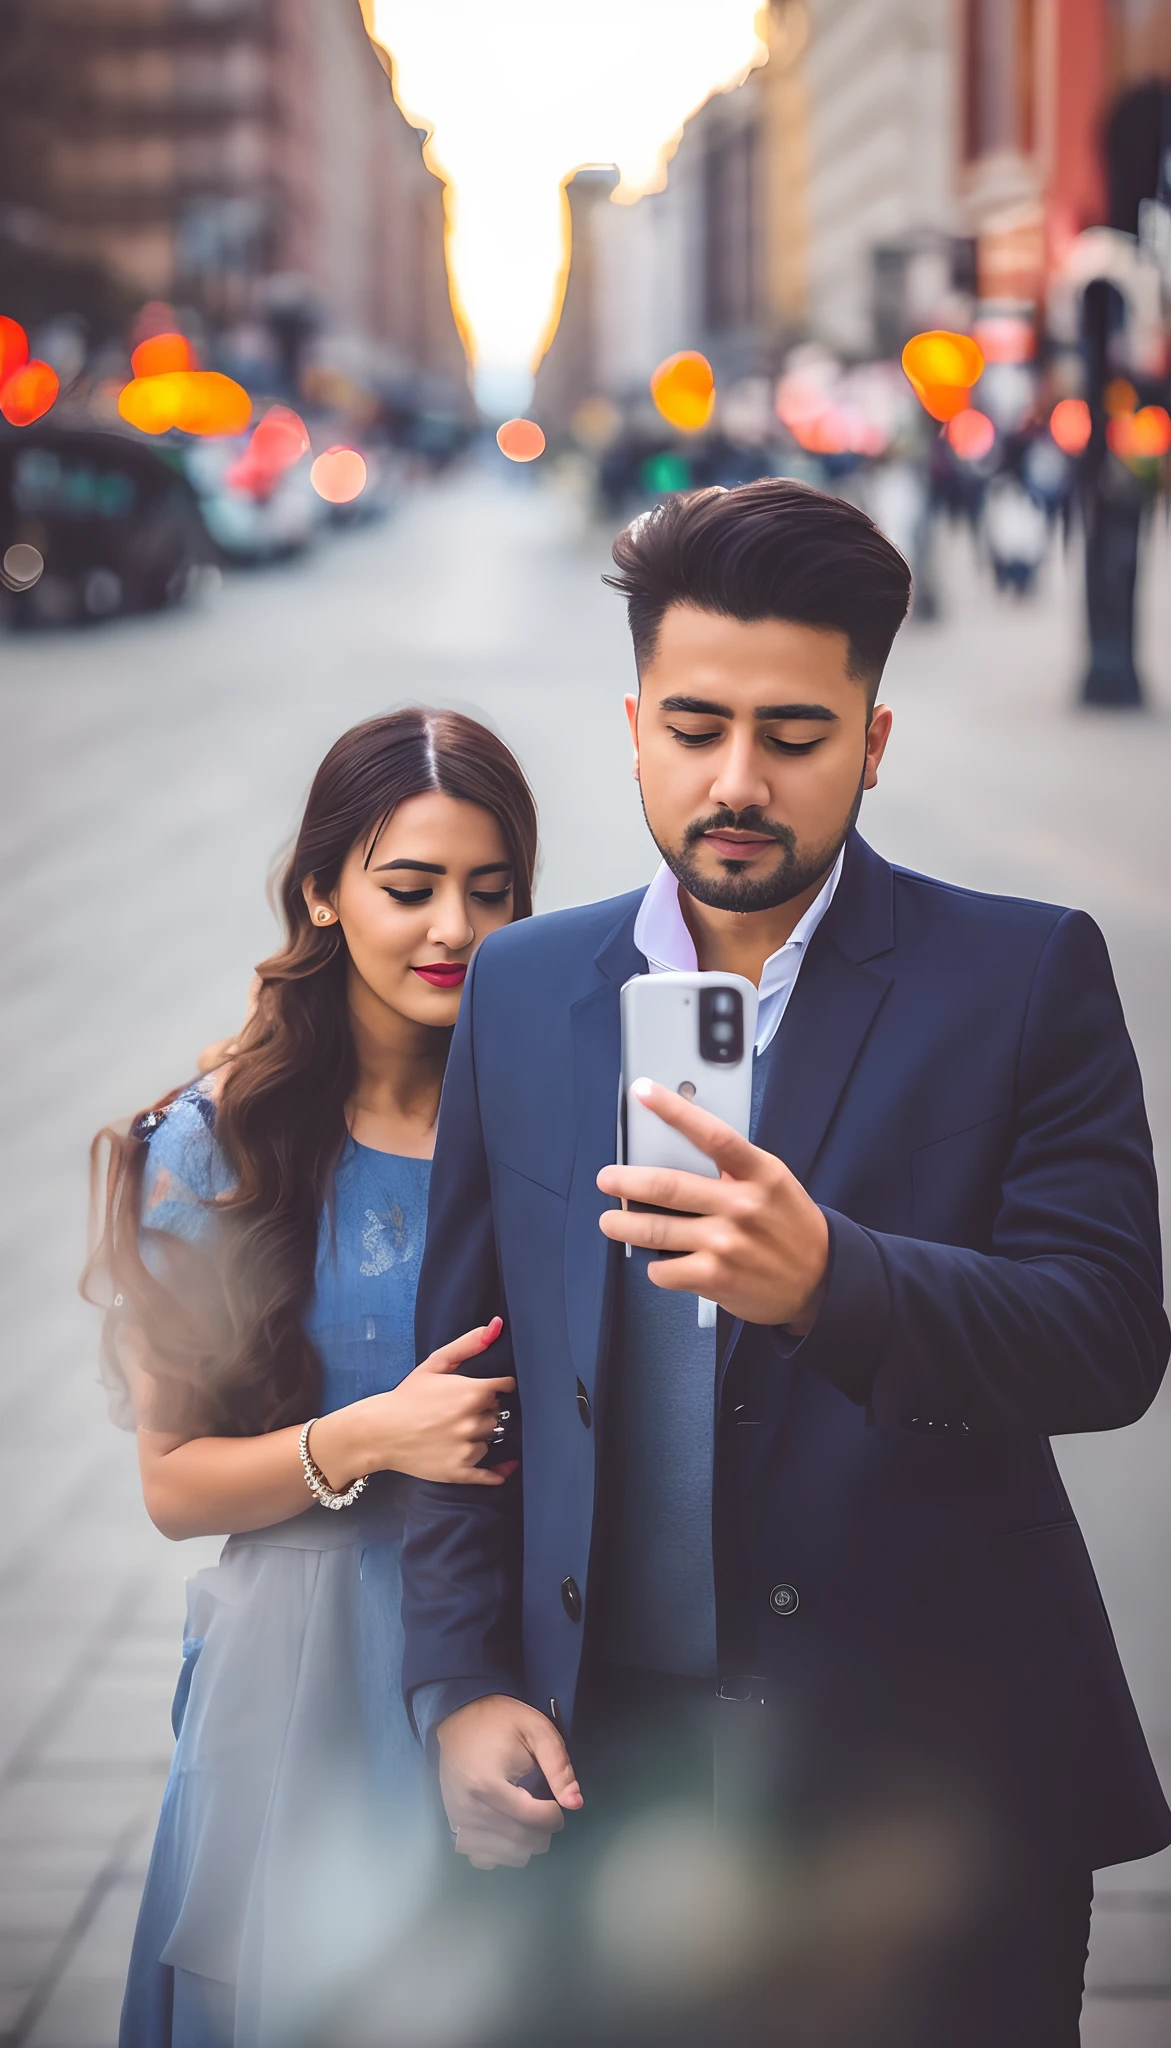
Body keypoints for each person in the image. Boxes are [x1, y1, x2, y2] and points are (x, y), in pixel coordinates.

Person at [399, 481, 1171, 2048]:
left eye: (796, 737)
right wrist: (456, 1687)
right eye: (693, 729)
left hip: (940, 1788)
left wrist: (837, 1280)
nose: (737, 781)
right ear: (632, 729)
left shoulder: (1026, 974)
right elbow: (463, 1386)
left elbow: (1108, 1343)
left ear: (874, 742)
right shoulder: (527, 985)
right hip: (599, 1777)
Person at [85, 708, 538, 2048]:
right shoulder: (220, 1145)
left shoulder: (548, 1111)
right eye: (408, 888)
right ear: (322, 894)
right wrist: (369, 1438)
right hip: (305, 1669)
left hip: (522, 1650)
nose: (451, 928)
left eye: (490, 890)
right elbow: (173, 1487)